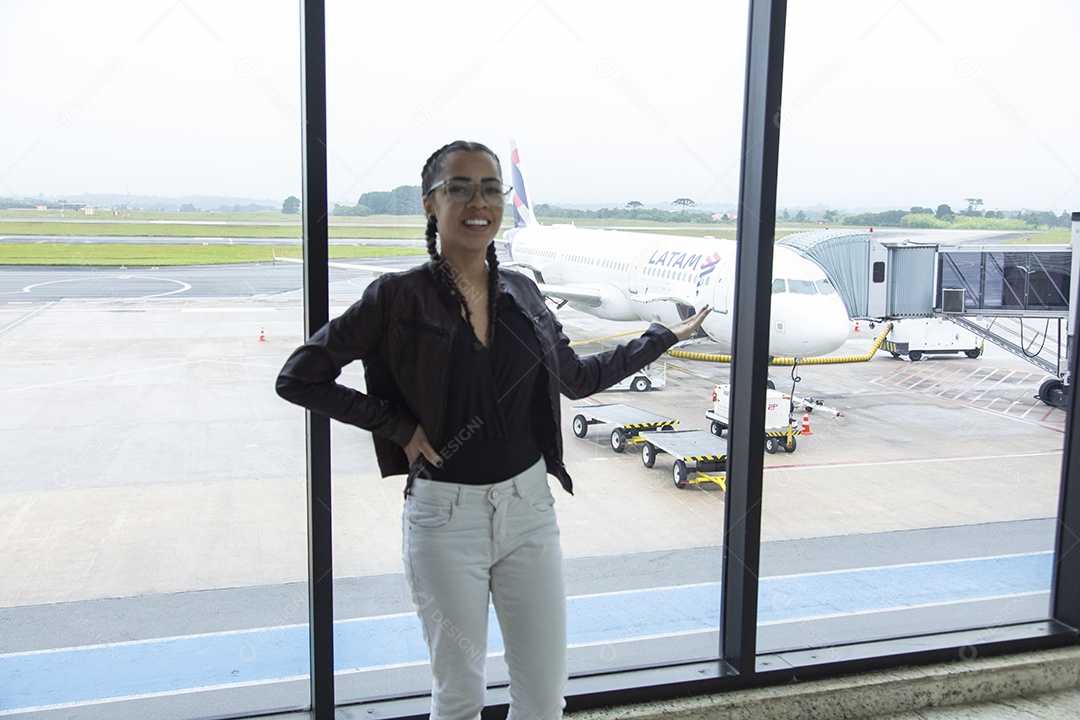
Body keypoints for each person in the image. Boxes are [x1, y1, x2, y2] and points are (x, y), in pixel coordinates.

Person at [276, 140, 710, 720]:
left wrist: (662, 336)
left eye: (489, 187)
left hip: (529, 509)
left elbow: (577, 379)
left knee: (543, 697)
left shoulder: (524, 293)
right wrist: (396, 425)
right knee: (458, 697)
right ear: (431, 204)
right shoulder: (397, 297)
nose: (477, 201)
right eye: (459, 187)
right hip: (443, 516)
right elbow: (299, 377)